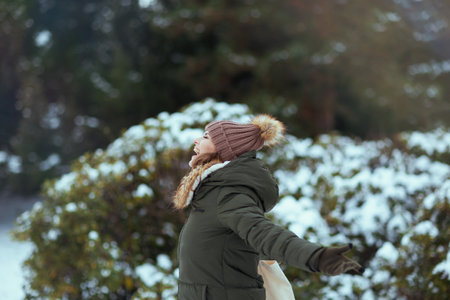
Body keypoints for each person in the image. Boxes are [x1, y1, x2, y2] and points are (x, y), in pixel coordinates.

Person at [173, 115, 364, 300]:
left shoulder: (228, 195)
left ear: (225, 149)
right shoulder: (211, 191)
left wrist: (316, 257)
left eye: (206, 137)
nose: (196, 140)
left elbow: (264, 234)